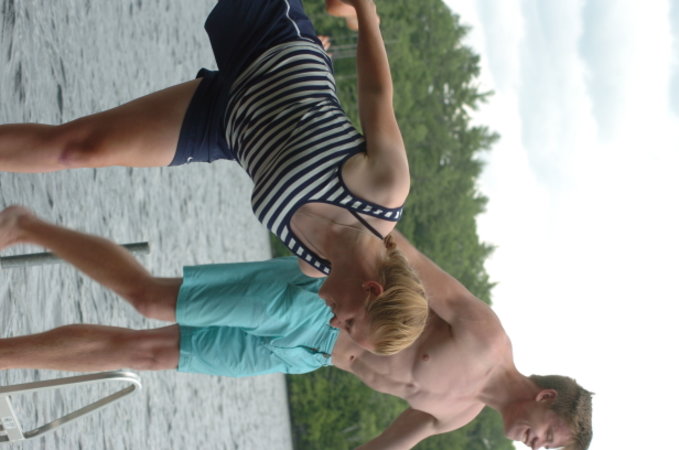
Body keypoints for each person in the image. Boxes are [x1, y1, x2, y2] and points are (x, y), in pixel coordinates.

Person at [0, 0, 429, 352]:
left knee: (78, 149)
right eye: (350, 323)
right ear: (371, 289)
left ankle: (17, 222)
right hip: (272, 47)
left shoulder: (311, 262)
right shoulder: (382, 189)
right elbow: (376, 94)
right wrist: (365, 12)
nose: (334, 324)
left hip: (224, 123)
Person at [0, 206, 593, 449]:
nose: (537, 445)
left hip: (304, 356)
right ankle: (25, 224)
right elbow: (403, 255)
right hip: (318, 305)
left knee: (149, 354)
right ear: (546, 398)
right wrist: (333, 226)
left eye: (546, 449)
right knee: (152, 299)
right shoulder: (487, 340)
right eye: (550, 436)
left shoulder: (457, 415)